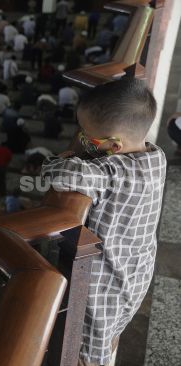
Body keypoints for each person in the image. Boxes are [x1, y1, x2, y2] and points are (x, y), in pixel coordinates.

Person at [41, 78, 166, 366]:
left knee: (88, 355)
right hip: (138, 271)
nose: (82, 141)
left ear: (112, 145)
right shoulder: (157, 157)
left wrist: (59, 159)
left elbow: (59, 174)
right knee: (110, 333)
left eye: (87, 138)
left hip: (105, 283)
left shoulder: (111, 173)